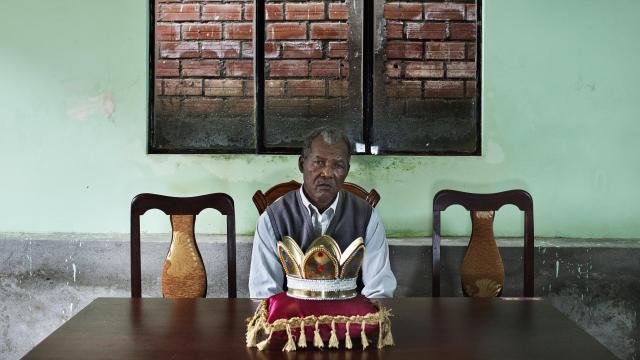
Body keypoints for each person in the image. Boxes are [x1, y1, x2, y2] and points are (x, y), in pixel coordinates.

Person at [248, 127, 397, 298]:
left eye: (338, 165)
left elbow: (379, 291)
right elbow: (264, 295)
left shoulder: (367, 217)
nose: (327, 173)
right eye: (319, 162)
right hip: (291, 320)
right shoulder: (273, 218)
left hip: (349, 320)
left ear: (347, 170)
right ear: (301, 164)